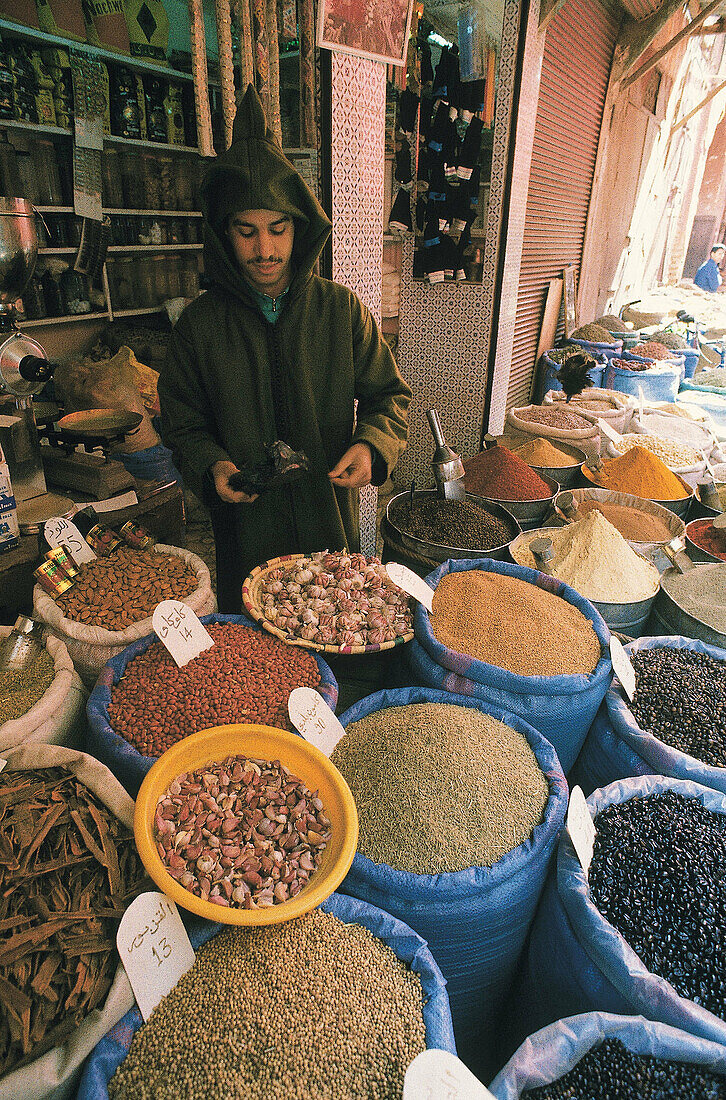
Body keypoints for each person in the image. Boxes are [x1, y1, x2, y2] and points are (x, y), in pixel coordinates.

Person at [158, 85, 411, 612]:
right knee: (252, 658)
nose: (265, 249)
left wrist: (371, 447)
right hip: (246, 529)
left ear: (300, 229)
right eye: (246, 232)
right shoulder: (199, 327)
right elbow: (182, 421)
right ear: (224, 237)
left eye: (278, 229)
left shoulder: (339, 312)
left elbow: (390, 396)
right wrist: (213, 466)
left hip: (328, 522)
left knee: (330, 627)